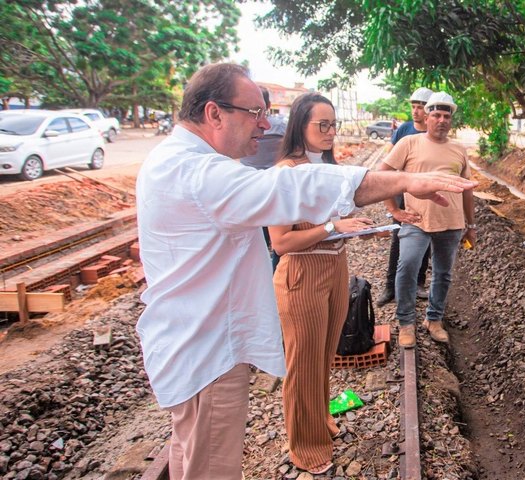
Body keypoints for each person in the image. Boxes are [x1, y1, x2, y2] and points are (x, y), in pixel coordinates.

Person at [134, 63, 476, 480]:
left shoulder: (188, 162)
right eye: (254, 112)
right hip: (207, 354)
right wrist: (402, 181)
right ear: (214, 113)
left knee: (199, 455)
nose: (264, 124)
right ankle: (307, 444)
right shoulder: (196, 172)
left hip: (203, 343)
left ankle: (316, 429)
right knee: (212, 467)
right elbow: (293, 191)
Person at [267, 92, 373, 474]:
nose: (330, 132)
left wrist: (360, 230)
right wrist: (332, 227)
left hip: (334, 268)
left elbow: (336, 227)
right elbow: (281, 242)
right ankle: (305, 446)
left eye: (334, 125)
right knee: (303, 364)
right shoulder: (284, 173)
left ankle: (321, 422)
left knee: (325, 357)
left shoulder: (329, 169)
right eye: (322, 125)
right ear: (300, 126)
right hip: (302, 275)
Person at [378, 91, 477, 348]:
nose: (441, 120)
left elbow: (467, 189)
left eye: (446, 116)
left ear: (451, 120)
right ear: (427, 116)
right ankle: (406, 323)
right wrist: (395, 211)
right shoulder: (409, 143)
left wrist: (471, 225)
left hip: (452, 224)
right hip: (416, 221)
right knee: (407, 268)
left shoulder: (458, 150)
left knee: (443, 274)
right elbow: (382, 177)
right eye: (436, 115)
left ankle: (434, 320)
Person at [376, 87, 434, 307]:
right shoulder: (404, 130)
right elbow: (389, 158)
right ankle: (390, 287)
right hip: (403, 194)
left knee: (424, 238)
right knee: (398, 237)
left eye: (420, 107)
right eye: (413, 106)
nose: (416, 111)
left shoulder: (432, 133)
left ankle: (418, 283)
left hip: (426, 195)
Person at [240, 88, 288, 270]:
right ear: (269, 105)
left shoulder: (244, 128)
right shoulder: (281, 126)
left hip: (249, 191)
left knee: (257, 241)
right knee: (280, 244)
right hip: (277, 191)